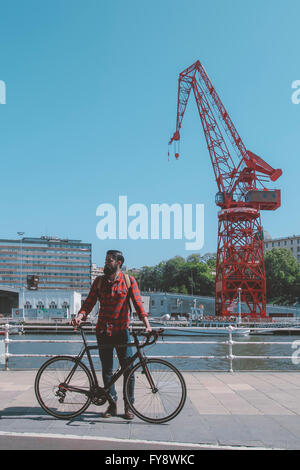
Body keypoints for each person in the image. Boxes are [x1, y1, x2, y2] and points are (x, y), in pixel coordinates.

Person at [72, 250, 152, 420]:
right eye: (105, 260)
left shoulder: (129, 281)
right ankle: (112, 404)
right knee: (107, 370)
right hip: (103, 331)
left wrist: (148, 326)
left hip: (122, 331)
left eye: (109, 261)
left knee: (128, 370)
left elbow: (138, 304)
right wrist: (80, 316)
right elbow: (89, 302)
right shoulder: (99, 282)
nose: (105, 264)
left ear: (118, 263)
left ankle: (129, 406)